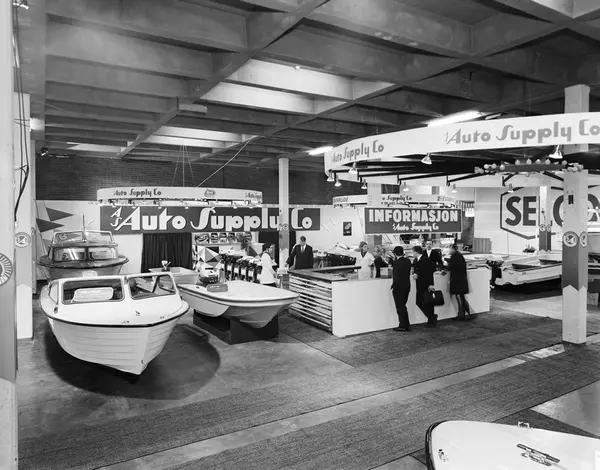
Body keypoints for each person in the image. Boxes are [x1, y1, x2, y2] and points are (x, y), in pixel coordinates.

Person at [412, 246, 437, 327]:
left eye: (413, 252)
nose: (412, 254)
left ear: (416, 252)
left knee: (427, 302)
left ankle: (431, 319)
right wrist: (415, 274)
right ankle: (431, 317)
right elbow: (417, 270)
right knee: (420, 302)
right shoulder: (416, 260)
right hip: (420, 284)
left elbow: (430, 272)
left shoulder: (426, 260)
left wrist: (431, 284)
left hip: (426, 284)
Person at [445, 244, 471, 320]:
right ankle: (465, 313)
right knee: (461, 298)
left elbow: (451, 266)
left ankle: (461, 315)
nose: (449, 251)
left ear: (453, 249)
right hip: (461, 280)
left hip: (458, 281)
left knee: (459, 297)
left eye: (450, 249)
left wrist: (445, 269)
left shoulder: (456, 257)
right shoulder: (458, 256)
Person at [391, 246, 412, 332]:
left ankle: (403, 325)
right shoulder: (408, 261)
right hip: (407, 286)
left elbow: (395, 276)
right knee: (403, 306)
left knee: (400, 307)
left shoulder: (396, 263)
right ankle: (406, 324)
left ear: (395, 253)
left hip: (398, 287)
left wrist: (393, 286)